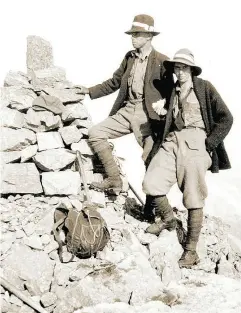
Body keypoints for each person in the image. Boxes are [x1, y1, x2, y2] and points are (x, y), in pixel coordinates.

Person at [142, 48, 233, 268]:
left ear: (192, 70)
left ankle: (191, 252)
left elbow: (226, 117)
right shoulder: (173, 90)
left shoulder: (204, 87)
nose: (180, 72)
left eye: (184, 68)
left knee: (193, 194)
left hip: (196, 142)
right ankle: (168, 220)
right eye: (177, 67)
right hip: (173, 141)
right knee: (151, 183)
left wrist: (209, 144)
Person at [74, 14, 172, 197]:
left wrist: (163, 112)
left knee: (151, 158)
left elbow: (171, 94)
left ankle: (153, 208)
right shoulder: (129, 58)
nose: (132, 38)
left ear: (149, 37)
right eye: (132, 34)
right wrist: (88, 90)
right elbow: (115, 82)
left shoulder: (162, 61)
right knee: (96, 133)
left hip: (148, 115)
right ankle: (113, 178)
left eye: (137, 34)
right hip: (127, 110)